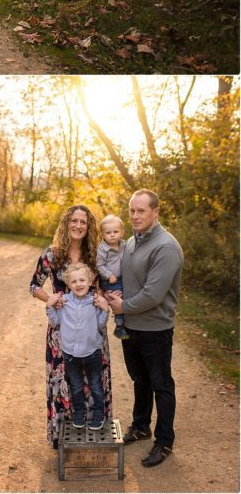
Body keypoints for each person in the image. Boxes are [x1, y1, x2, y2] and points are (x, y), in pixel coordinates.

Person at [105, 189, 183, 469]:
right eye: (132, 211)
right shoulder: (132, 241)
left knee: (161, 385)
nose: (135, 216)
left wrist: (122, 307)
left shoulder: (166, 246)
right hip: (131, 328)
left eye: (141, 210)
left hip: (155, 330)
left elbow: (153, 294)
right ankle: (140, 426)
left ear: (155, 212)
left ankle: (164, 441)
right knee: (140, 379)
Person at [29, 204, 113, 447]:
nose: (78, 225)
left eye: (83, 222)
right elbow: (34, 286)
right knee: (66, 381)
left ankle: (97, 434)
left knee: (96, 380)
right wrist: (50, 299)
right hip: (60, 333)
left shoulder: (96, 255)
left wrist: (104, 300)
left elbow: (109, 283)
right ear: (67, 224)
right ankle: (63, 437)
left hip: (92, 329)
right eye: (74, 221)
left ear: (89, 228)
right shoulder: (52, 254)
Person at [45, 262, 111, 430]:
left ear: (89, 281)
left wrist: (105, 310)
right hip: (70, 354)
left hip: (92, 353)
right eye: (74, 281)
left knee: (96, 385)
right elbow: (56, 322)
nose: (79, 284)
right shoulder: (64, 302)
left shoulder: (94, 301)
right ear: (68, 284)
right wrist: (49, 306)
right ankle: (79, 413)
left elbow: (100, 326)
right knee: (76, 386)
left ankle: (98, 413)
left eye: (82, 280)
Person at [97, 214, 129, 340]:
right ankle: (119, 326)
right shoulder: (102, 249)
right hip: (110, 281)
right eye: (108, 232)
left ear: (121, 232)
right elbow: (99, 265)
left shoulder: (125, 245)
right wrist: (108, 274)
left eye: (115, 231)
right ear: (103, 235)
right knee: (118, 297)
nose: (112, 235)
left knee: (129, 296)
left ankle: (127, 321)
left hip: (124, 278)